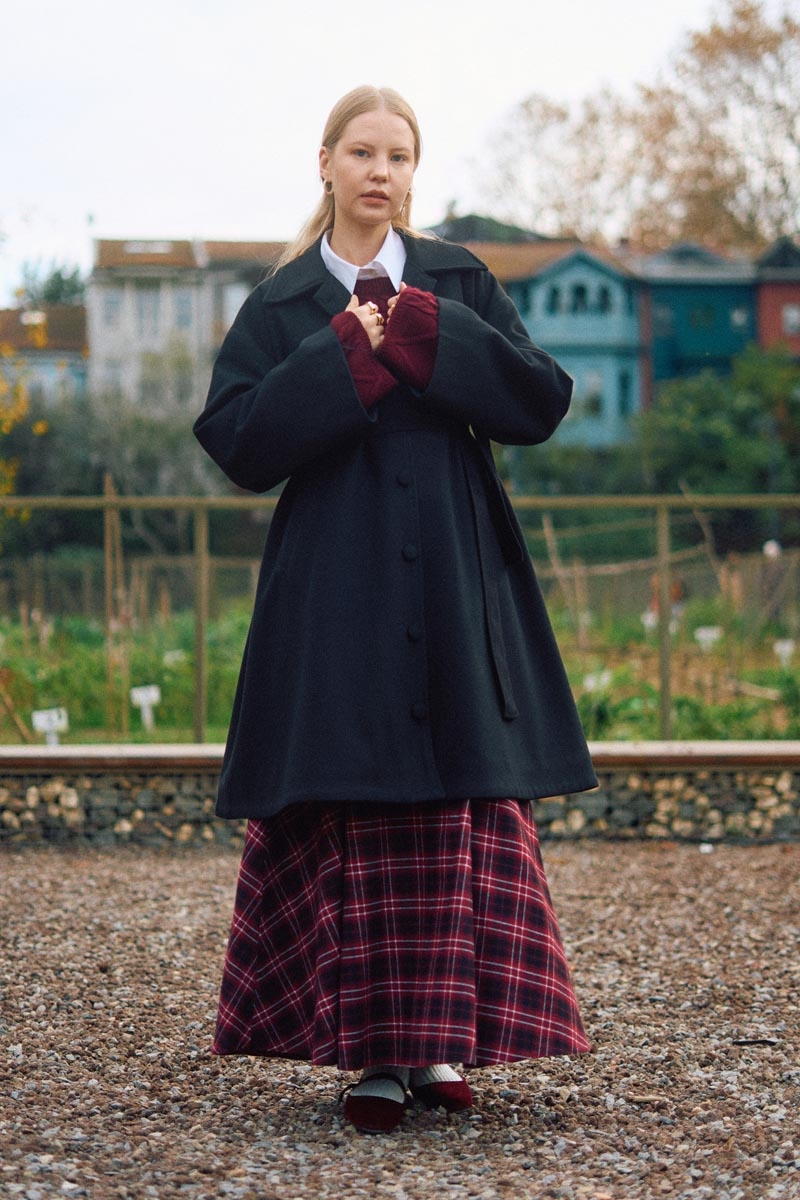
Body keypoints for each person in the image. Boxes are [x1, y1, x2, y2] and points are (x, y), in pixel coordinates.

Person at [194, 84, 598, 1135]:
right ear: (325, 163)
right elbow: (238, 443)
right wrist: (341, 357)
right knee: (357, 803)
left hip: (456, 581)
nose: (382, 172)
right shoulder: (282, 302)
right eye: (363, 152)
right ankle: (375, 1054)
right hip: (333, 588)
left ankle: (441, 1045)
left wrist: (428, 334)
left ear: (414, 170)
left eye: (400, 155)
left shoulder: (457, 279)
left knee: (458, 804)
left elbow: (539, 402)